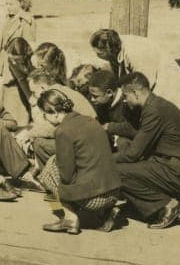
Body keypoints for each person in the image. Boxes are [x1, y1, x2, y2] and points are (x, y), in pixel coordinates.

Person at [114, 72, 180, 230]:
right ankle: (178, 200)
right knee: (128, 154)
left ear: (135, 92)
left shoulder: (153, 110)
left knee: (117, 171)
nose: (124, 100)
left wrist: (103, 159)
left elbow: (132, 154)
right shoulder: (155, 105)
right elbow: (135, 131)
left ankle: (166, 205)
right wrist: (108, 127)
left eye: (125, 95)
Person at [36, 89, 123, 235]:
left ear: (54, 112)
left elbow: (66, 175)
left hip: (94, 199)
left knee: (50, 168)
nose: (45, 119)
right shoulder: (91, 121)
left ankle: (70, 218)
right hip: (114, 192)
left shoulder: (63, 131)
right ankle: (106, 212)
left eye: (44, 115)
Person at [89, 28, 180, 124]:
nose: (97, 56)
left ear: (108, 50)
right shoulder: (115, 51)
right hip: (152, 80)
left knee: (170, 119)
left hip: (167, 81)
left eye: (99, 54)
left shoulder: (136, 52)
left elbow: (143, 84)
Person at [22, 66, 97, 173]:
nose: (32, 96)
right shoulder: (62, 89)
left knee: (39, 144)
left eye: (33, 92)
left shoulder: (53, 95)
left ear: (43, 88)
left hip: (85, 145)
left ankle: (54, 177)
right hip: (91, 138)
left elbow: (52, 129)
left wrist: (28, 135)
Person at [0, 0, 36, 98]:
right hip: (4, 62)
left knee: (16, 94)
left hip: (16, 64)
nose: (8, 7)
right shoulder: (8, 19)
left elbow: (27, 47)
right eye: (6, 4)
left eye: (11, 4)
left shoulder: (25, 21)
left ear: (20, 3)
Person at [85, 68, 138, 151]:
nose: (92, 99)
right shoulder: (102, 102)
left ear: (109, 93)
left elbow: (134, 129)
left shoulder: (128, 102)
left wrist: (110, 127)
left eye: (95, 96)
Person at [0, 36, 34, 128]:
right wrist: (30, 98)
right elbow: (21, 79)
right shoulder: (11, 61)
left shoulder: (34, 59)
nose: (13, 61)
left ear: (24, 55)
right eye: (11, 58)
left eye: (16, 59)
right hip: (23, 81)